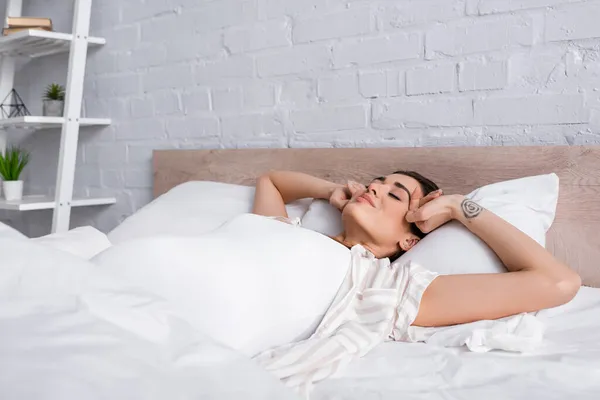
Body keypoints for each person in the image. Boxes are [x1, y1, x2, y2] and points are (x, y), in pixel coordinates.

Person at [252, 170, 581, 327]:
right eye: (374, 184)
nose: (375, 189)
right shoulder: (289, 233)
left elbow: (559, 282)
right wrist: (333, 191)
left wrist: (457, 207)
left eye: (395, 195)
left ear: (409, 241)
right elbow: (271, 181)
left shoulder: (381, 290)